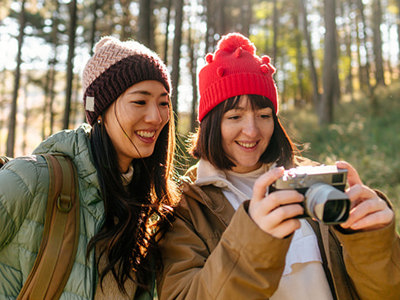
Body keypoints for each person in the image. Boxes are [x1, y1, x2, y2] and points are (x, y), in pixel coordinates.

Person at [157, 32, 400, 299]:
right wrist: (253, 241)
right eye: (235, 116)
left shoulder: (313, 180)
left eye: (263, 115)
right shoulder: (186, 207)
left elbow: (387, 292)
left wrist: (372, 241)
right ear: (211, 124)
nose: (251, 130)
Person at [0, 36, 178, 299]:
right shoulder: (31, 180)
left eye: (163, 102)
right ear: (100, 110)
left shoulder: (146, 212)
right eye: (140, 101)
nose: (156, 116)